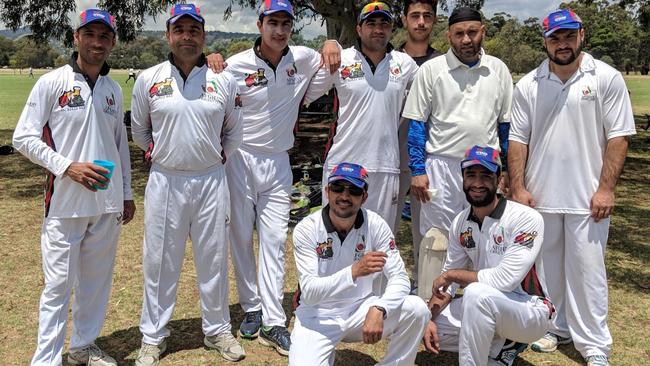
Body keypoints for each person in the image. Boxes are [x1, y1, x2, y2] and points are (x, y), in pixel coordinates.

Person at [206, 0, 341, 355]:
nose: (279, 31)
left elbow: (327, 64)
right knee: (240, 235)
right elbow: (209, 93)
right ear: (260, 25)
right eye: (273, 23)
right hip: (239, 159)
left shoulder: (303, 58)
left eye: (285, 24)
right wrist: (211, 59)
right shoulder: (236, 66)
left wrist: (333, 44)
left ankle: (274, 320)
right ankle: (251, 308)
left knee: (274, 240)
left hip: (279, 161)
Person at [508, 9, 636, 366]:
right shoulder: (529, 84)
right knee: (547, 268)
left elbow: (619, 136)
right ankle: (556, 327)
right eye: (554, 38)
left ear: (582, 35)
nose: (562, 44)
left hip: (588, 197)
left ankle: (594, 344)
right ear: (544, 41)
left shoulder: (606, 77)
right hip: (540, 195)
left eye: (568, 36)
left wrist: (606, 188)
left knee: (587, 270)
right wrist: (518, 188)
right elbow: (518, 140)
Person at [12, 9, 134, 366]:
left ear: (112, 41)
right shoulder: (52, 82)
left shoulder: (113, 89)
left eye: (104, 36)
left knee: (95, 285)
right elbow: (23, 137)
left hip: (107, 204)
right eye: (90, 34)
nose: (97, 42)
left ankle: (83, 345)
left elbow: (119, 146)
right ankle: (46, 360)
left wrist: (126, 194)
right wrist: (67, 167)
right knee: (57, 287)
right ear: (76, 38)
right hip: (65, 204)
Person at [130, 4, 244, 365]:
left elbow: (233, 133)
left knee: (213, 258)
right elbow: (139, 131)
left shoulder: (222, 79)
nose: (187, 36)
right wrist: (164, 153)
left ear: (203, 35)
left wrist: (212, 158)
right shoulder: (149, 78)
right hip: (166, 179)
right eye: (180, 29)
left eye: (194, 29)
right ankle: (153, 336)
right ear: (168, 35)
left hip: (211, 178)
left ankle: (217, 331)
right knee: (160, 260)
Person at [401, 6, 513, 300]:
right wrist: (417, 169)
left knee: (485, 236)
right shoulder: (431, 70)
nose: (466, 40)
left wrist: (508, 171)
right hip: (441, 167)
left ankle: (480, 306)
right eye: (459, 33)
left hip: (485, 169)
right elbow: (416, 124)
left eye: (472, 32)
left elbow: (505, 126)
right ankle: (429, 307)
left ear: (482, 32)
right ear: (449, 34)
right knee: (436, 239)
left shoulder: (498, 69)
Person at [423, 145, 554, 366]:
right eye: (471, 175)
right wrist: (426, 318)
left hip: (531, 310)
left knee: (476, 294)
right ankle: (500, 346)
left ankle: (497, 347)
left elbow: (505, 280)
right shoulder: (460, 222)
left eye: (485, 175)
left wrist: (453, 275)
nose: (477, 183)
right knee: (418, 321)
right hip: (487, 304)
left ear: (500, 179)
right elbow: (449, 285)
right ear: (462, 178)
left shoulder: (526, 218)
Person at [290, 162, 429, 366]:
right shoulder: (307, 229)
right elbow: (309, 292)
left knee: (417, 309)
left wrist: (380, 307)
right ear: (327, 191)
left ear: (364, 197)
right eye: (338, 188)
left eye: (354, 190)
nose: (344, 197)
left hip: (361, 309)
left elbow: (399, 277)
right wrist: (354, 272)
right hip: (317, 316)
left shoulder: (376, 225)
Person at [305, 1, 419, 232]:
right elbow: (301, 94)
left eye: (384, 24)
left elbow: (430, 94)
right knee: (335, 238)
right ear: (359, 29)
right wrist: (328, 44)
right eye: (371, 24)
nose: (378, 29)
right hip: (343, 162)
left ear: (391, 29)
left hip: (386, 166)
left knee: (379, 239)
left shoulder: (404, 64)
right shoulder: (341, 60)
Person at [395, 0, 442, 294]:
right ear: (404, 20)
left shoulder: (443, 64)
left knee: (425, 229)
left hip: (429, 158)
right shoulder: (390, 59)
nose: (421, 22)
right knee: (382, 223)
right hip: (389, 155)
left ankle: (423, 287)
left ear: (435, 21)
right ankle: (379, 283)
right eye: (415, 16)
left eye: (427, 16)